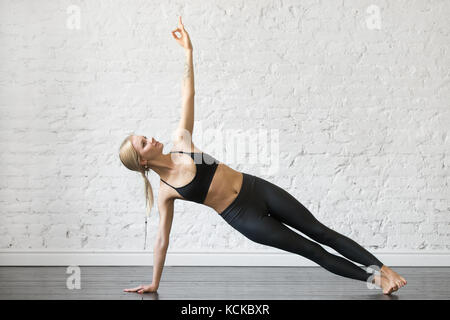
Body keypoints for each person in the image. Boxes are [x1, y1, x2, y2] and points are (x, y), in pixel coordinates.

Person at [119, 16, 407, 295]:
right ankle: (377, 280)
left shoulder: (181, 142)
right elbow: (161, 240)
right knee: (312, 250)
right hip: (244, 216)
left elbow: (187, 95)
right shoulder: (166, 191)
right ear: (142, 161)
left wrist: (189, 53)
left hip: (255, 187)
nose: (151, 138)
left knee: (321, 232)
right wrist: (154, 283)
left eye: (145, 136)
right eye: (144, 142)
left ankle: (384, 269)